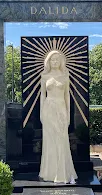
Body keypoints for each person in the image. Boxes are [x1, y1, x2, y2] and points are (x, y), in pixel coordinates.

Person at [39, 50, 77, 184]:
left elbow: (67, 96)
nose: (54, 62)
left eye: (57, 59)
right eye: (52, 60)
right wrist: (41, 113)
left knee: (61, 140)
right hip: (48, 110)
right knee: (49, 141)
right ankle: (48, 172)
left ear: (61, 61)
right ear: (48, 61)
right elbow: (42, 95)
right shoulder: (44, 76)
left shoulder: (65, 76)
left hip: (61, 109)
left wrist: (68, 115)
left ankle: (62, 172)